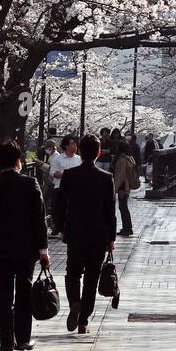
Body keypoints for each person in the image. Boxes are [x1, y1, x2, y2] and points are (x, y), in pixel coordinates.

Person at [0, 140, 51, 351]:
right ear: (18, 161)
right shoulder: (30, 184)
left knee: (3, 296)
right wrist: (43, 251)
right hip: (26, 250)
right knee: (23, 293)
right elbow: (39, 220)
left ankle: (6, 342)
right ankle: (22, 340)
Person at [54, 134, 116, 335]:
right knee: (91, 277)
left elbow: (60, 204)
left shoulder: (70, 176)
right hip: (98, 235)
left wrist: (61, 227)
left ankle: (74, 303)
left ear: (80, 151)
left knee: (72, 272)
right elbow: (110, 211)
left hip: (75, 232)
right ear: (98, 153)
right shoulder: (106, 178)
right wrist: (111, 238)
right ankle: (83, 321)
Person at [47, 135, 81, 236]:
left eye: (75, 143)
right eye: (73, 143)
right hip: (60, 187)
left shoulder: (79, 159)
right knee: (59, 209)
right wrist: (68, 175)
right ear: (66, 146)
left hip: (75, 189)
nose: (75, 146)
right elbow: (53, 172)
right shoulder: (58, 158)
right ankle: (59, 227)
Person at [112, 139, 138, 237]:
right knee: (124, 207)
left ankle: (127, 228)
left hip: (123, 185)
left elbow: (120, 175)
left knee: (123, 207)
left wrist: (115, 188)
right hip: (127, 185)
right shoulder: (130, 158)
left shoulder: (122, 160)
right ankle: (127, 227)